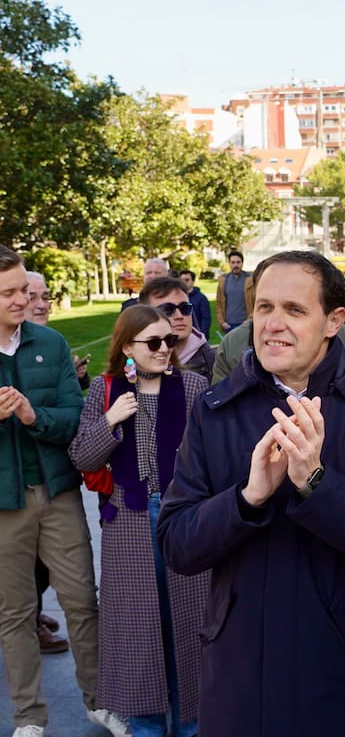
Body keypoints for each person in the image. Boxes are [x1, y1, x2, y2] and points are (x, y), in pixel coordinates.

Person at [158, 250, 345, 737]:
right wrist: (246, 499)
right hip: (240, 675)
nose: (273, 324)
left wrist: (317, 485)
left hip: (341, 674)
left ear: (333, 321)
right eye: (264, 307)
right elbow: (178, 544)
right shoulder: (216, 411)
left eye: (294, 310)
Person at [0, 245, 128, 737]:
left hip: (58, 494)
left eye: (24, 290)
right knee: (14, 613)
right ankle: (29, 718)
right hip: (5, 504)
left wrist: (34, 417)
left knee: (81, 600)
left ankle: (101, 703)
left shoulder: (50, 345)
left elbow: (78, 419)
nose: (22, 299)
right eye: (9, 292)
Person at [70, 306, 208, 737]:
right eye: (153, 342)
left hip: (181, 513)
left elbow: (213, 456)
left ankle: (191, 725)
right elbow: (82, 457)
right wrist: (111, 420)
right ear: (127, 347)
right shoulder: (104, 390)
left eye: (170, 341)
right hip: (127, 519)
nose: (165, 349)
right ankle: (146, 727)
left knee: (186, 620)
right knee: (138, 632)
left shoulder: (193, 387)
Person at [20, 272, 74, 655]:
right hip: (15, 487)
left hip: (52, 480)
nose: (39, 303)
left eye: (44, 296)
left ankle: (35, 615)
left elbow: (71, 415)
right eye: (29, 294)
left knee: (48, 569)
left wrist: (35, 416)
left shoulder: (53, 345)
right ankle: (30, 619)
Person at [208, 317, 345, 384]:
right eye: (266, 305)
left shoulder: (340, 334)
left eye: (293, 308)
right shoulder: (233, 342)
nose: (275, 324)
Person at [138, 278, 215, 383]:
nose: (179, 316)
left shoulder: (213, 364)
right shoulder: (131, 360)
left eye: (185, 308)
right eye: (167, 309)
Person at [215, 250, 251, 334]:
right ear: (229, 264)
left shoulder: (250, 280)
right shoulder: (223, 280)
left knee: (246, 347)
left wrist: (249, 320)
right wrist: (222, 322)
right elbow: (219, 303)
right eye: (233, 262)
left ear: (242, 263)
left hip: (245, 324)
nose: (235, 265)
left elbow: (256, 301)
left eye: (238, 262)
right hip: (229, 325)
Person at [176, 270, 211, 340]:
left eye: (187, 280)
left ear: (193, 281)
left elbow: (206, 319)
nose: (184, 282)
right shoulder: (176, 298)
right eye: (181, 280)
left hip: (198, 337)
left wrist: (201, 335)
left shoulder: (201, 298)